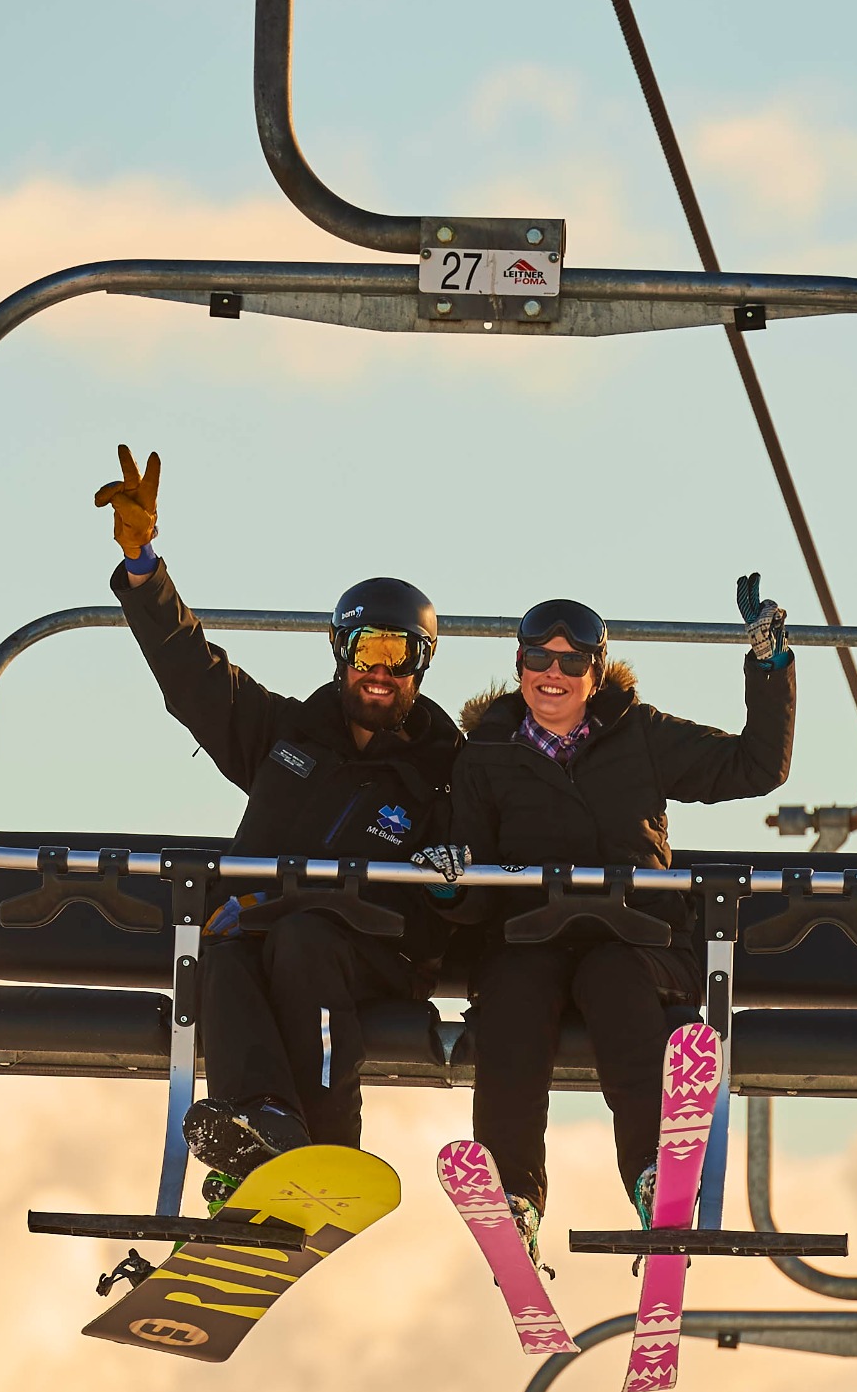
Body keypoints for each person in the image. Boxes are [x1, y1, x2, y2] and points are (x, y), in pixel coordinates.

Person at [94, 447, 464, 1207]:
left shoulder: (444, 770)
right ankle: (262, 1124)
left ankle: (327, 1144)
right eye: (366, 649)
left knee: (303, 942)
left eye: (399, 654)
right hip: (262, 930)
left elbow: (479, 857)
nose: (380, 669)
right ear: (340, 652)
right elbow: (192, 675)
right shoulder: (286, 738)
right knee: (219, 951)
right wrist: (143, 566)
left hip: (373, 945)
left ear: (422, 664)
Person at [451, 582, 795, 1237]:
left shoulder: (640, 736)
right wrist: (448, 881)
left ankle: (653, 1173)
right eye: (540, 660)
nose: (554, 675)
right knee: (510, 1007)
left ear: (596, 672)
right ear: (520, 666)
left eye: (572, 663)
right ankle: (513, 1192)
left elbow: (754, 767)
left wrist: (768, 666)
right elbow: (472, 885)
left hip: (637, 938)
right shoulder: (487, 755)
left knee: (621, 990)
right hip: (529, 939)